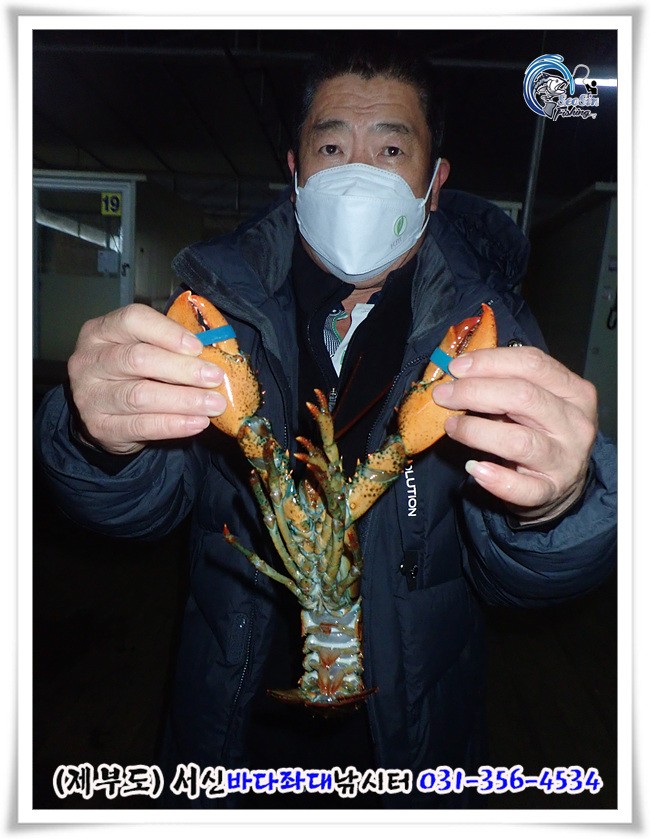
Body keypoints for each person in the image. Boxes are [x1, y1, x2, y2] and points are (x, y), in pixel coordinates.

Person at [34, 40, 616, 809]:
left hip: (410, 757)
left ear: (434, 182)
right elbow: (135, 507)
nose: (358, 173)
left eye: (392, 150)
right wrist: (92, 441)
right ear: (296, 169)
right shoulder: (212, 308)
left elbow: (525, 578)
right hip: (229, 743)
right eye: (332, 147)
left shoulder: (492, 332)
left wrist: (562, 507)